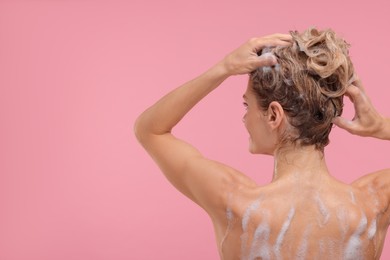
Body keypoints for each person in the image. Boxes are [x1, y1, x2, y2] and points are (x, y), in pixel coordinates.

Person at [134, 28, 390, 260]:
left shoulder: (236, 203)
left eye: (248, 105)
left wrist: (222, 68)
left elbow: (150, 130)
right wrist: (381, 127)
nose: (245, 118)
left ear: (273, 115)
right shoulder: (372, 203)